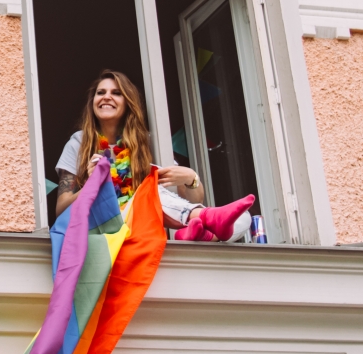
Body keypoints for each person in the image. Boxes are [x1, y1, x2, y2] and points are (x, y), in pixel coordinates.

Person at [53, 70, 256, 242]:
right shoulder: (79, 142)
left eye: (116, 93)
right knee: (149, 191)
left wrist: (191, 179)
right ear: (93, 101)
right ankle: (203, 222)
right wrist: (91, 185)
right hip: (101, 229)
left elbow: (190, 198)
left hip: (143, 228)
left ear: (128, 103)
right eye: (100, 92)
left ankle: (199, 232)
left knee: (244, 218)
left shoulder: (147, 142)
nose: (106, 97)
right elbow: (61, 210)